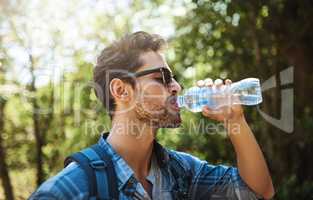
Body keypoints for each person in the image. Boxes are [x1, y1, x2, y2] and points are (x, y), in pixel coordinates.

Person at [29, 31, 274, 200]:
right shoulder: (67, 191)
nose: (177, 86)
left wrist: (235, 121)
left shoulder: (182, 172)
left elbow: (258, 192)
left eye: (173, 78)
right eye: (162, 78)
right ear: (121, 90)